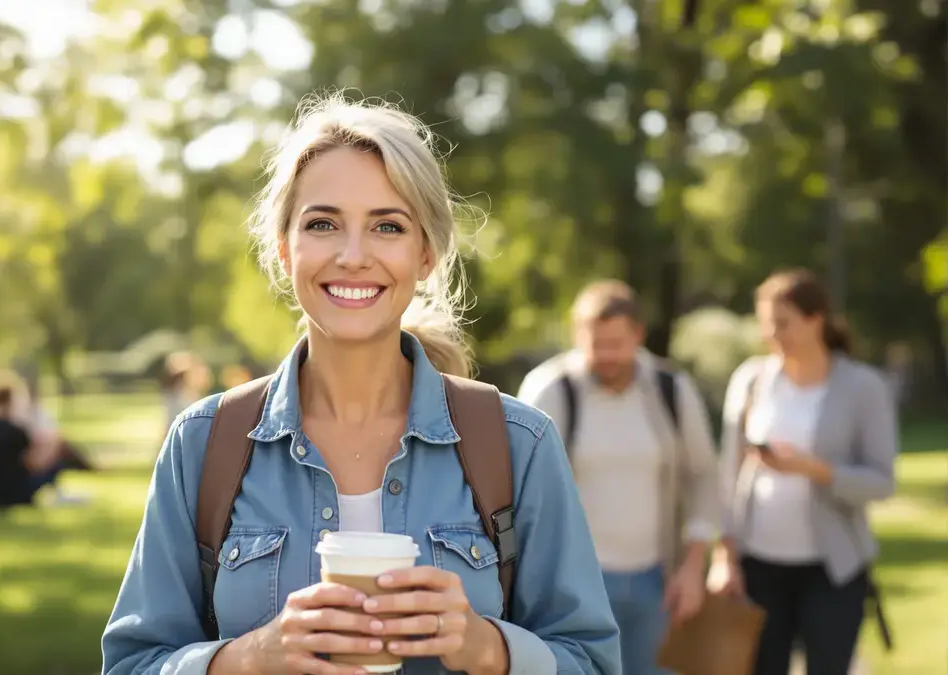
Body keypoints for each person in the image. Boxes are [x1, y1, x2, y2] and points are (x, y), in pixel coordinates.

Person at [101, 95, 620, 675]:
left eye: (387, 226)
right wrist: (248, 657)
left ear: (425, 254)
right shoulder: (202, 445)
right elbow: (132, 663)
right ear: (283, 247)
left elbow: (593, 661)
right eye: (322, 224)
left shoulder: (518, 442)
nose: (353, 256)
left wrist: (486, 647)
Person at [516, 280, 719, 675]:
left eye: (616, 343)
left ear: (639, 335)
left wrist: (694, 567)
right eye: (596, 344)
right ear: (578, 336)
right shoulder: (548, 391)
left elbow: (705, 475)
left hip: (657, 582)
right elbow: (521, 490)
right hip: (574, 586)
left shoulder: (671, 390)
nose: (606, 355)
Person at [710, 269, 897, 675]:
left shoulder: (864, 387)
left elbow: (883, 482)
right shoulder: (750, 380)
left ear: (816, 320)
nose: (770, 335)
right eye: (765, 324)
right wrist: (724, 557)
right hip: (758, 567)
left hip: (833, 569)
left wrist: (814, 470)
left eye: (781, 323)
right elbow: (726, 476)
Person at [0, 386, 66, 509]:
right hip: (14, 495)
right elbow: (33, 464)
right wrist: (53, 447)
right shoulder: (16, 431)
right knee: (57, 464)